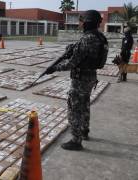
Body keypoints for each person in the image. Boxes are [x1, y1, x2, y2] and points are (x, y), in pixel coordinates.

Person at [43, 10, 108, 150]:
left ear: (87, 22)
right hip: (91, 78)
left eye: (82, 21)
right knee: (84, 105)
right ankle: (84, 131)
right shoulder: (100, 37)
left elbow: (72, 63)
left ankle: (76, 140)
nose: (80, 23)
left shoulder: (86, 39)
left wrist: (54, 68)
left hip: (80, 80)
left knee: (74, 109)